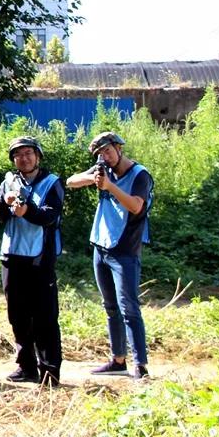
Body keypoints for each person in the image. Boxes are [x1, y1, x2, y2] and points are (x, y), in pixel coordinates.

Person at [66, 132, 153, 379]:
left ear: (118, 148)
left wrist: (110, 186)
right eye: (101, 154)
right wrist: (90, 176)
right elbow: (71, 181)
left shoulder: (140, 175)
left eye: (108, 151)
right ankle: (118, 360)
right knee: (111, 307)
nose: (105, 156)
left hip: (125, 249)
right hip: (101, 246)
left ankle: (140, 365)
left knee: (129, 308)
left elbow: (137, 206)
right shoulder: (102, 168)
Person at [0, 136, 64, 385]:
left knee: (45, 317)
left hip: (39, 260)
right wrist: (5, 201)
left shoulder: (52, 182)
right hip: (12, 257)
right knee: (18, 316)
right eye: (18, 154)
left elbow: (51, 216)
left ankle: (50, 370)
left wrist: (27, 211)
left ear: (38, 156)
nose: (24, 158)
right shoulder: (8, 181)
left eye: (28, 153)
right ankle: (26, 367)